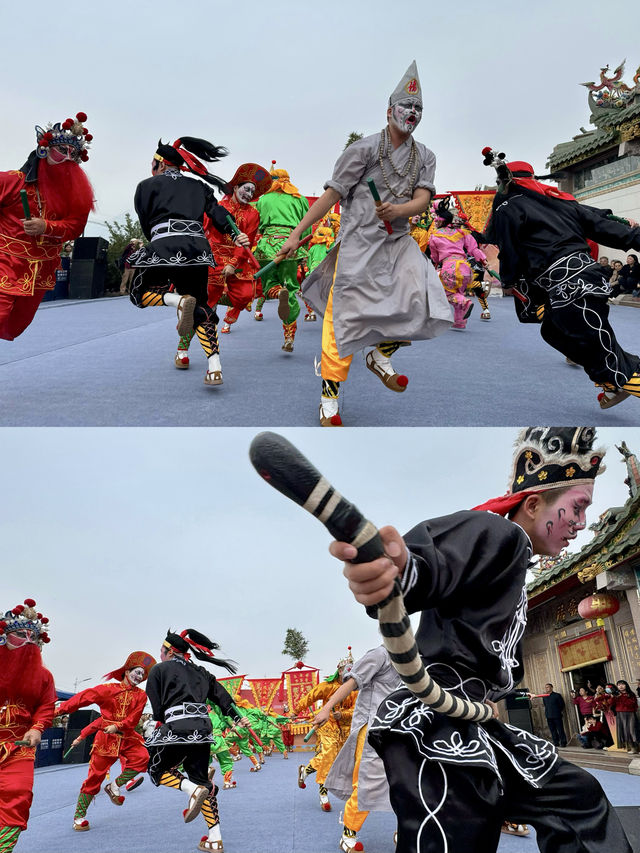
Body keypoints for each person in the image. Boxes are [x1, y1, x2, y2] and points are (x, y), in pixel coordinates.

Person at [330, 426, 632, 852]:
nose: (581, 524)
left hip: (474, 718)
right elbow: (430, 568)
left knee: (578, 799)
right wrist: (397, 574)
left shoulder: (515, 561)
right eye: (577, 508)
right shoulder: (500, 534)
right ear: (532, 503)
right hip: (436, 721)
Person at [280, 61, 451, 426]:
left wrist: (398, 210)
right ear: (389, 111)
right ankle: (329, 401)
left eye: (418, 108)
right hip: (358, 245)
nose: (413, 113)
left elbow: (423, 199)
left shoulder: (426, 157)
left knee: (423, 301)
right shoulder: (363, 150)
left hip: (398, 241)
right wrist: (297, 234)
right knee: (343, 322)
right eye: (406, 107)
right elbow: (330, 196)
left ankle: (379, 356)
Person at [484, 157, 640, 410]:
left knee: (605, 351)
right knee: (553, 331)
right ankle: (610, 382)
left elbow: (510, 251)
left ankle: (618, 380)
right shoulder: (562, 203)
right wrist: (633, 234)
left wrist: (509, 280)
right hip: (581, 282)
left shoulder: (508, 208)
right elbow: (603, 225)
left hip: (572, 287)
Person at [130, 137, 249, 387]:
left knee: (139, 293)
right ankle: (214, 367)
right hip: (197, 249)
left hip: (164, 244)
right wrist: (236, 233)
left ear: (161, 164)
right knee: (203, 307)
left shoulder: (146, 186)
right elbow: (218, 214)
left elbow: (146, 225)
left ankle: (178, 300)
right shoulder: (199, 187)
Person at [145, 629, 248, 853]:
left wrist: (161, 720)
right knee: (203, 781)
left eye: (161, 652)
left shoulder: (158, 670)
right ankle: (215, 838)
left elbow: (158, 710)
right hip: (203, 730)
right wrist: (239, 717)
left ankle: (190, 790)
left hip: (177, 727)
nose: (160, 656)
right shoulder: (202, 672)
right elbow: (223, 699)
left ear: (169, 651)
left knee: (155, 769)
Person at [0, 112, 94, 340]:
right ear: (44, 150)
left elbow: (74, 226)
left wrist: (46, 227)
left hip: (40, 271)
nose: (69, 158)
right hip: (5, 263)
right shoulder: (13, 182)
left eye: (74, 154)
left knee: (14, 327)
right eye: (62, 151)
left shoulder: (74, 195)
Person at [174, 163, 271, 365]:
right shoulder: (218, 207)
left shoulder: (253, 214)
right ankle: (182, 350)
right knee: (205, 308)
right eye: (246, 188)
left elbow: (247, 243)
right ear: (235, 187)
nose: (249, 193)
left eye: (252, 191)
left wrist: (234, 263)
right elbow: (202, 231)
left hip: (238, 260)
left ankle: (221, 297)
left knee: (246, 294)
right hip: (213, 259)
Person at [314, 645, 402, 853]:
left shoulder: (415, 659)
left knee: (408, 782)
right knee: (366, 783)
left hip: (401, 731)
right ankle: (348, 833)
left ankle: (405, 831)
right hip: (372, 731)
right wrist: (326, 708)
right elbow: (352, 683)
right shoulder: (379, 655)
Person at [56, 650, 156, 830]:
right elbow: (84, 697)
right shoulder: (108, 689)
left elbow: (133, 720)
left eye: (142, 674)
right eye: (137, 672)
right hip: (105, 740)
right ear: (126, 671)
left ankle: (115, 785)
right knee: (94, 778)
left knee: (143, 757)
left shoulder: (141, 696)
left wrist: (118, 726)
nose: (139, 677)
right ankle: (79, 816)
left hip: (127, 736)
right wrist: (59, 710)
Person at [0, 599, 55, 853]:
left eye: (32, 637)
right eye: (21, 635)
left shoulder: (44, 676)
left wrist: (38, 727)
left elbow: (46, 705)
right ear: (5, 635)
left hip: (18, 746)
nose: (28, 641)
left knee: (19, 793)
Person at [254, 165, 310, 352]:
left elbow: (257, 225)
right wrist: (304, 251)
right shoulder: (300, 199)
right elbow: (307, 227)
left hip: (268, 245)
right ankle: (289, 337)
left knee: (269, 283)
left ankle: (277, 293)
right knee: (292, 287)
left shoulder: (263, 199)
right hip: (291, 246)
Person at [293, 652, 356, 812]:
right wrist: (295, 711)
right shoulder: (327, 686)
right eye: (345, 670)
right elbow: (310, 697)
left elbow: (355, 709)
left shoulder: (355, 690)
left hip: (346, 728)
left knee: (334, 759)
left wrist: (343, 715)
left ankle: (305, 771)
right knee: (328, 755)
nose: (347, 673)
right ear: (339, 671)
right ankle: (323, 795)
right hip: (327, 724)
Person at [428, 197, 487, 330]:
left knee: (446, 294)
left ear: (440, 220)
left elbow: (435, 257)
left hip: (450, 267)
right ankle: (459, 322)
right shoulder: (462, 232)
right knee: (458, 293)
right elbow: (473, 249)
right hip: (465, 268)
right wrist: (483, 260)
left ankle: (465, 303)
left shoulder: (435, 235)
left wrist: (435, 265)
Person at [529, 682, 566, 747]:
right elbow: (545, 705)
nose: (546, 688)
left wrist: (557, 711)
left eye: (548, 687)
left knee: (560, 729)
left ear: (551, 687)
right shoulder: (545, 696)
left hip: (557, 715)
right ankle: (556, 743)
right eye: (546, 687)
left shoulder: (557, 695)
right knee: (552, 730)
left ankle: (563, 743)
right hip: (549, 716)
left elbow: (562, 705)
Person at [612, 680, 639, 753]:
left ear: (626, 685)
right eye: (619, 685)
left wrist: (622, 697)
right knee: (624, 731)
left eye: (622, 684)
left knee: (632, 730)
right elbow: (612, 704)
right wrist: (613, 697)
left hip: (630, 714)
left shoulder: (630, 694)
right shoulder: (615, 695)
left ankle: (636, 747)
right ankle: (631, 747)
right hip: (620, 714)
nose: (620, 686)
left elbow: (631, 704)